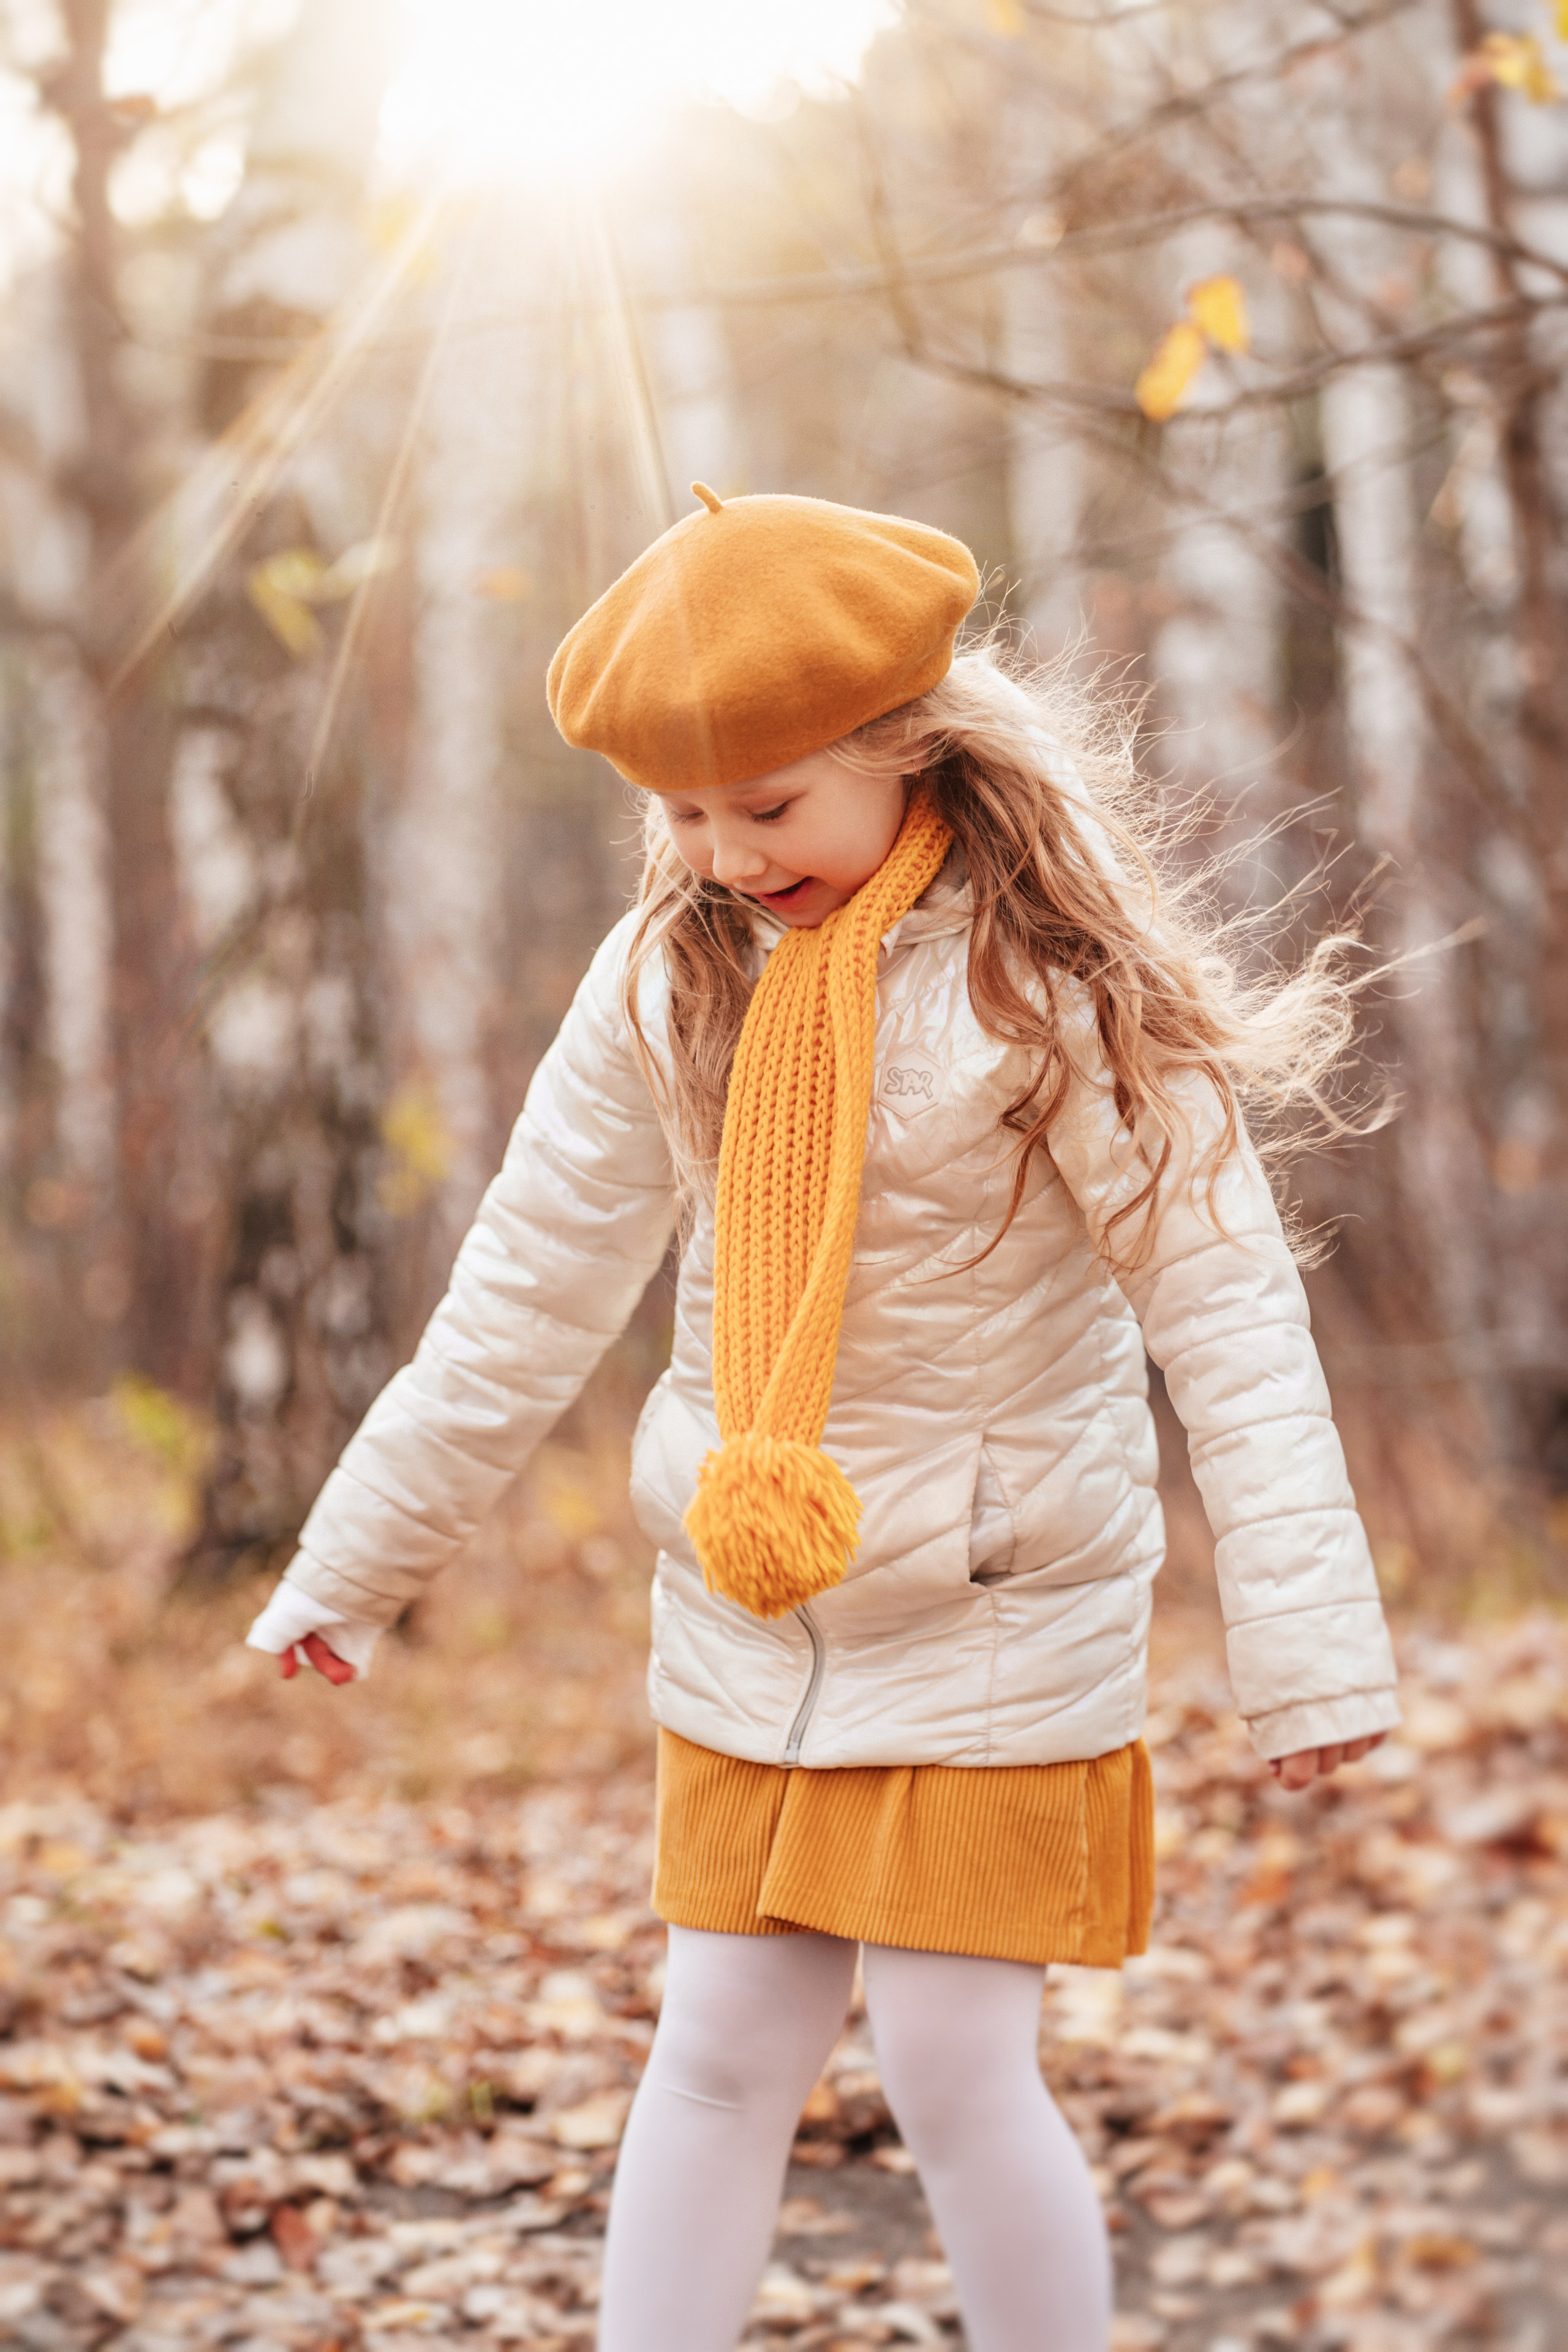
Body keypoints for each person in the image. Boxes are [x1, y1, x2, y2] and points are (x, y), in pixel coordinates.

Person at [246, 486, 1399, 2352]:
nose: (722, 854)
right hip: (751, 1611)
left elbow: (1228, 1314)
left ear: (913, 749)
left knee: (953, 2067)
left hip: (994, 1613)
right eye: (684, 813)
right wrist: (354, 1564)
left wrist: (1309, 1653)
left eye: (769, 805)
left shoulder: (1056, 993)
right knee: (711, 2054)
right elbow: (523, 1303)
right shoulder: (667, 982)